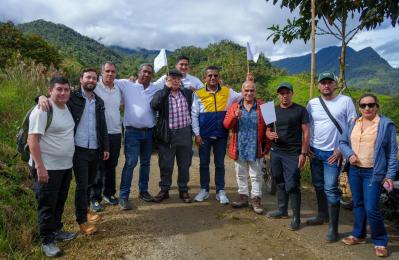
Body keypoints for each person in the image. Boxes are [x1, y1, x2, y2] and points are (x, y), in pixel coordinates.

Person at [39, 69, 110, 235]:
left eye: (94, 78)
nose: (91, 80)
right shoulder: (72, 97)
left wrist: (105, 147)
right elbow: (54, 98)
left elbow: (103, 126)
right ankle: (81, 221)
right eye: (88, 77)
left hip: (95, 148)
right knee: (82, 185)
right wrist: (40, 97)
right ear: (81, 79)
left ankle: (85, 211)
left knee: (90, 183)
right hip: (78, 149)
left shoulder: (99, 101)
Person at [339, 93, 397, 257]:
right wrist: (349, 154)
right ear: (359, 108)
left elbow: (392, 153)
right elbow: (342, 142)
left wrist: (389, 175)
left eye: (370, 105)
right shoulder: (353, 123)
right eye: (363, 105)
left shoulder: (386, 125)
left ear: (377, 106)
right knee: (357, 204)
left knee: (371, 208)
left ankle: (380, 241)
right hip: (355, 170)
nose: (367, 108)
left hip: (373, 171)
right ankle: (358, 234)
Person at [28, 76, 77, 257]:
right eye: (59, 89)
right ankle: (47, 241)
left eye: (66, 89)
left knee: (59, 201)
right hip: (47, 167)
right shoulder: (42, 110)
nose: (63, 93)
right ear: (50, 91)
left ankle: (56, 230)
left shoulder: (66, 107)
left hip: (64, 166)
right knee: (47, 205)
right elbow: (32, 139)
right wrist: (40, 167)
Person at [306, 72, 357, 241]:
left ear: (335, 84)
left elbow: (352, 125)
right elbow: (308, 126)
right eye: (323, 82)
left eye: (329, 82)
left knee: (331, 188)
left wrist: (342, 149)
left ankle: (333, 229)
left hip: (333, 154)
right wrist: (307, 147)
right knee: (318, 185)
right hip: (315, 151)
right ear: (319, 86)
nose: (326, 85)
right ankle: (322, 215)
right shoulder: (312, 103)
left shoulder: (345, 101)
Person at [192, 65, 242, 204]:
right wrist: (196, 134)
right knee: (204, 163)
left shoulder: (228, 92)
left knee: (220, 164)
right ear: (205, 78)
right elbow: (194, 115)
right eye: (210, 76)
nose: (213, 78)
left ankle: (220, 191)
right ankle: (204, 190)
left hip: (221, 135)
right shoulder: (198, 94)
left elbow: (243, 94)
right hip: (204, 136)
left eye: (215, 75)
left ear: (219, 77)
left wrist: (247, 81)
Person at [265, 83, 309, 231]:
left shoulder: (300, 110)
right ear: (278, 95)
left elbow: (306, 132)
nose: (284, 95)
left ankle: (296, 217)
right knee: (279, 180)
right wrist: (269, 134)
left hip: (293, 153)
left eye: (287, 93)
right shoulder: (272, 110)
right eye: (281, 93)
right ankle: (282, 210)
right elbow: (268, 130)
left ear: (292, 93)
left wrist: (303, 153)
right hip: (276, 151)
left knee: (292, 185)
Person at [118, 63, 162, 210]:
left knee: (146, 163)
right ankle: (123, 196)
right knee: (130, 163)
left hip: (149, 132)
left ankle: (143, 191)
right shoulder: (127, 85)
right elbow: (105, 81)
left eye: (150, 73)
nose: (147, 74)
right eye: (144, 72)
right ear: (138, 72)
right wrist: (42, 96)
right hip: (132, 132)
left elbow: (171, 82)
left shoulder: (155, 88)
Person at [223, 78, 269, 214]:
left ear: (255, 92)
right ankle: (243, 196)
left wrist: (268, 146)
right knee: (240, 174)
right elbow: (226, 125)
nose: (249, 93)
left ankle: (256, 198)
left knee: (256, 175)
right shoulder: (234, 107)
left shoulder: (265, 106)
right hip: (240, 146)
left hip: (256, 147)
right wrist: (234, 117)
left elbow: (272, 127)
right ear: (242, 91)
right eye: (246, 90)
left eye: (252, 90)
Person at [150, 69, 193, 203]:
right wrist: (166, 90)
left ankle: (183, 189)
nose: (175, 81)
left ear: (181, 80)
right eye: (172, 78)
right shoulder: (161, 94)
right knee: (166, 164)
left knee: (184, 164)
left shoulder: (187, 93)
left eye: (177, 78)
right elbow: (154, 105)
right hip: (167, 134)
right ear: (166, 80)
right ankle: (164, 190)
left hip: (185, 132)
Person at [90, 62, 123, 212]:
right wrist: (42, 97)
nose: (110, 74)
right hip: (99, 133)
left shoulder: (118, 89)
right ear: (101, 73)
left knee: (112, 165)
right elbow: (72, 93)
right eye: (107, 71)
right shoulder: (94, 87)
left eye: (113, 71)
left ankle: (109, 193)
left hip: (116, 132)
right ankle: (95, 198)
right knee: (98, 166)